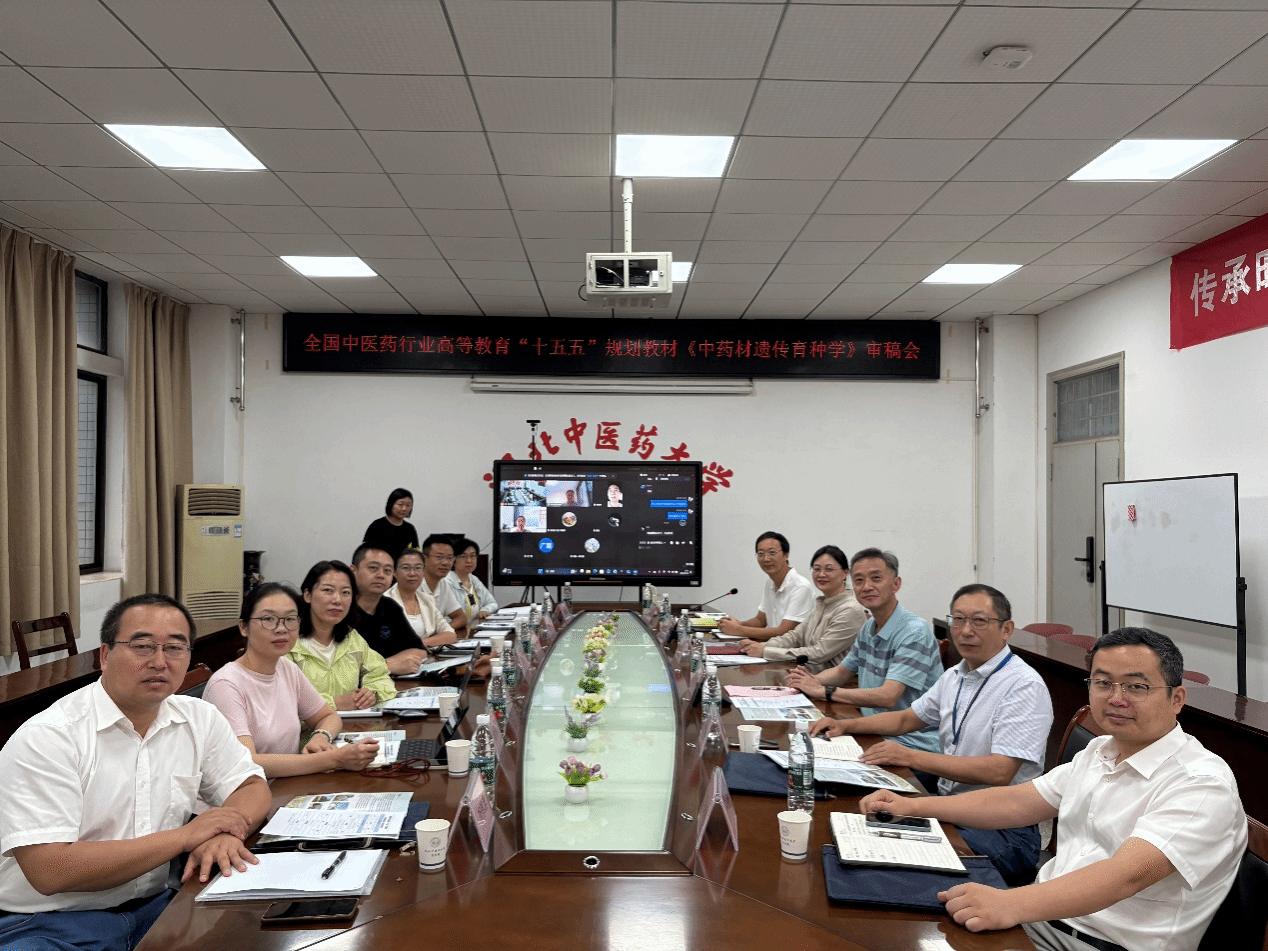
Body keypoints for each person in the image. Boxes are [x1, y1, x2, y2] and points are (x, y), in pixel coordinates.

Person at [858, 628, 1246, 951]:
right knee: (887, 908)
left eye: (1136, 686)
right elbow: (1018, 802)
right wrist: (913, 806)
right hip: (1045, 920)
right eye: (1103, 683)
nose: (1116, 698)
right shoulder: (1101, 750)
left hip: (1102, 943)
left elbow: (1126, 875)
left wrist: (1009, 903)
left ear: (1177, 698)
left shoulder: (1200, 783)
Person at [0, 594, 270, 950]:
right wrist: (186, 837)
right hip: (49, 922)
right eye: (142, 646)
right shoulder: (49, 736)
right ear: (105, 655)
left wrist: (227, 833)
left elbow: (251, 785)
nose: (159, 661)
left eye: (175, 648)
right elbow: (49, 870)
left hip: (158, 905)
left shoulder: (198, 718)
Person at [810, 583, 1052, 884]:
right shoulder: (956, 675)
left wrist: (911, 756)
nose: (965, 631)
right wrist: (845, 726)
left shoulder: (1023, 686)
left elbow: (1000, 771)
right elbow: (906, 719)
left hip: (1003, 831)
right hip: (953, 807)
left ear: (1007, 629)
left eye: (979, 621)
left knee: (887, 853)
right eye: (958, 620)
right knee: (861, 817)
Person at [204, 583, 380, 777]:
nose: (281, 629)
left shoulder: (286, 668)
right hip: (247, 790)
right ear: (244, 627)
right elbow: (247, 762)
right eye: (268, 619)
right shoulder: (226, 685)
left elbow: (328, 716)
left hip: (288, 783)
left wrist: (320, 737)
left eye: (290, 619)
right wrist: (334, 759)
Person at [785, 548, 940, 752]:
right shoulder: (869, 627)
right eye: (858, 580)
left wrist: (824, 691)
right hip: (872, 730)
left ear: (896, 584)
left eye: (876, 578)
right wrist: (807, 682)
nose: (866, 587)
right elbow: (842, 672)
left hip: (911, 742)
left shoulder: (914, 631)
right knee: (797, 746)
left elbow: (888, 696)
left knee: (806, 755)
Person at [288, 559, 397, 710]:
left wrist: (372, 693)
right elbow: (281, 700)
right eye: (328, 590)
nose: (337, 600)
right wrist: (335, 703)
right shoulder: (287, 641)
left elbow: (380, 674)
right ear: (307, 595)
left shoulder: (351, 638)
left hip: (352, 723)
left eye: (345, 592)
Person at [740, 544, 867, 671]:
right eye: (816, 569)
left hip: (833, 681)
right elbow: (795, 637)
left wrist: (765, 651)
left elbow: (819, 653)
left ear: (845, 573)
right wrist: (758, 646)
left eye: (829, 569)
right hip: (808, 674)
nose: (821, 574)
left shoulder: (850, 610)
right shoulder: (822, 603)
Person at [718, 531, 816, 641]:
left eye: (772, 553)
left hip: (790, 650)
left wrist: (738, 629)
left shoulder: (801, 587)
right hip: (772, 646)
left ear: (786, 555)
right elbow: (760, 620)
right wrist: (737, 624)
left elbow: (783, 632)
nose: (766, 559)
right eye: (761, 554)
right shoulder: (771, 582)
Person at [348, 544, 429, 676]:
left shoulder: (390, 607)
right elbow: (338, 669)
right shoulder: (340, 609)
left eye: (387, 570)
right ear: (353, 571)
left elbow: (419, 651)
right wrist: (386, 666)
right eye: (373, 568)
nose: (381, 575)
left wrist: (385, 664)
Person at [384, 545, 457, 650]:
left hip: (424, 656)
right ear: (394, 572)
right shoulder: (385, 601)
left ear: (423, 572)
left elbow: (450, 635)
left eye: (418, 568)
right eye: (406, 568)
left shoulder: (427, 600)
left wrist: (420, 643)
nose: (412, 573)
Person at [420, 534, 468, 633]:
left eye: (450, 558)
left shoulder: (443, 584)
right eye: (439, 557)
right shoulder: (413, 584)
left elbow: (461, 618)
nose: (445, 563)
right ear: (424, 559)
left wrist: (442, 632)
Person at [448, 538, 499, 625]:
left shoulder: (473, 579)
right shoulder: (446, 582)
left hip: (474, 628)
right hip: (456, 630)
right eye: (463, 556)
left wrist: (485, 610)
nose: (469, 561)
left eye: (472, 556)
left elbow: (492, 603)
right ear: (453, 559)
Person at [361, 487, 419, 560]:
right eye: (400, 504)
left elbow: (415, 552)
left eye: (408, 505)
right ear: (391, 504)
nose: (404, 508)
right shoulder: (377, 526)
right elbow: (366, 551)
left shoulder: (410, 528)